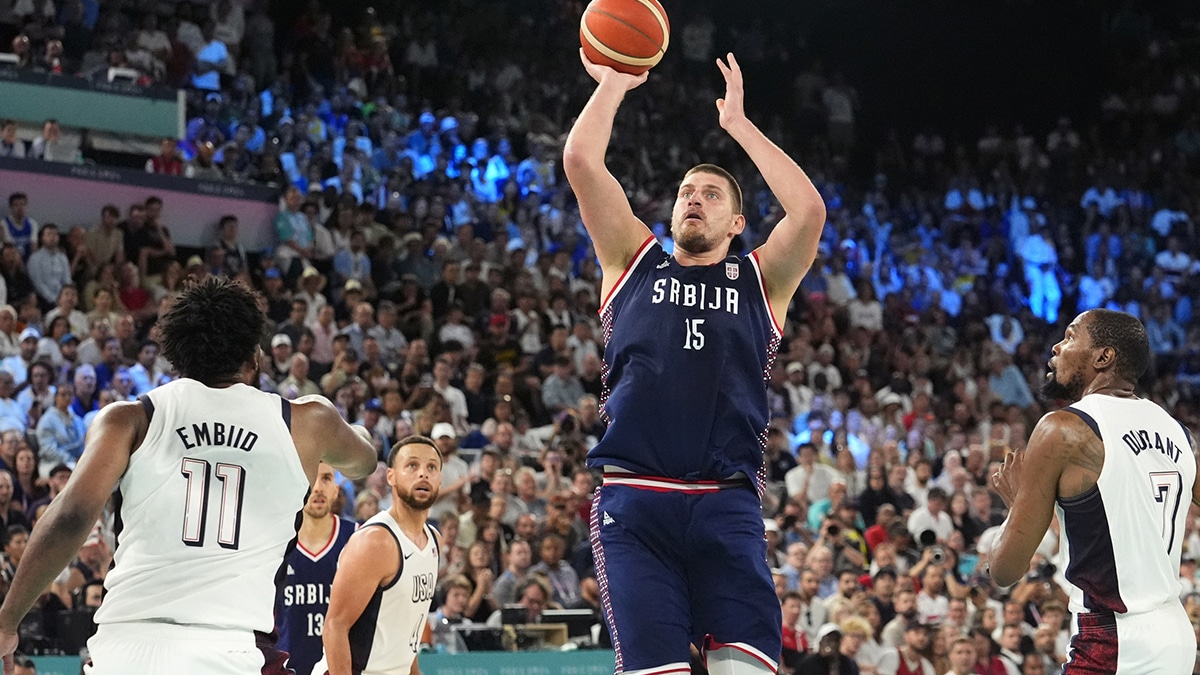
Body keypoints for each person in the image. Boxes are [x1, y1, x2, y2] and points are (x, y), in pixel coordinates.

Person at [565, 49, 826, 675]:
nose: (694, 199)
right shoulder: (633, 260)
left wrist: (738, 125)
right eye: (686, 191)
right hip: (635, 502)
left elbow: (809, 211)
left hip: (726, 503)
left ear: (737, 222)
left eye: (711, 194)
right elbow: (580, 161)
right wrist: (613, 84)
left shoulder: (761, 279)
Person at [0, 277, 377, 674]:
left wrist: (8, 621)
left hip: (125, 647)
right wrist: (356, 434)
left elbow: (71, 516)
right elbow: (363, 462)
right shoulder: (308, 421)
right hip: (233, 649)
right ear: (255, 357)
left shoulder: (128, 418)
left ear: (176, 357)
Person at [990, 309, 1197, 674]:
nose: (1056, 346)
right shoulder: (1180, 433)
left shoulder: (1063, 429)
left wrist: (1015, 506)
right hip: (1175, 634)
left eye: (1070, 337)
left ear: (1104, 357)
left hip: (1115, 638)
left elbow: (1004, 569)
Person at [315, 436, 442, 675]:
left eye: (431, 467)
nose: (423, 474)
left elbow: (407, 638)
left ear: (440, 479)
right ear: (391, 477)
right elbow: (334, 626)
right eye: (412, 465)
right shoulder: (375, 541)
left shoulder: (435, 540)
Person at [276, 461, 357, 675]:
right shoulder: (276, 541)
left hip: (339, 666)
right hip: (285, 664)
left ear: (335, 490)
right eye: (312, 478)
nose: (318, 487)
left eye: (327, 479)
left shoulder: (357, 538)